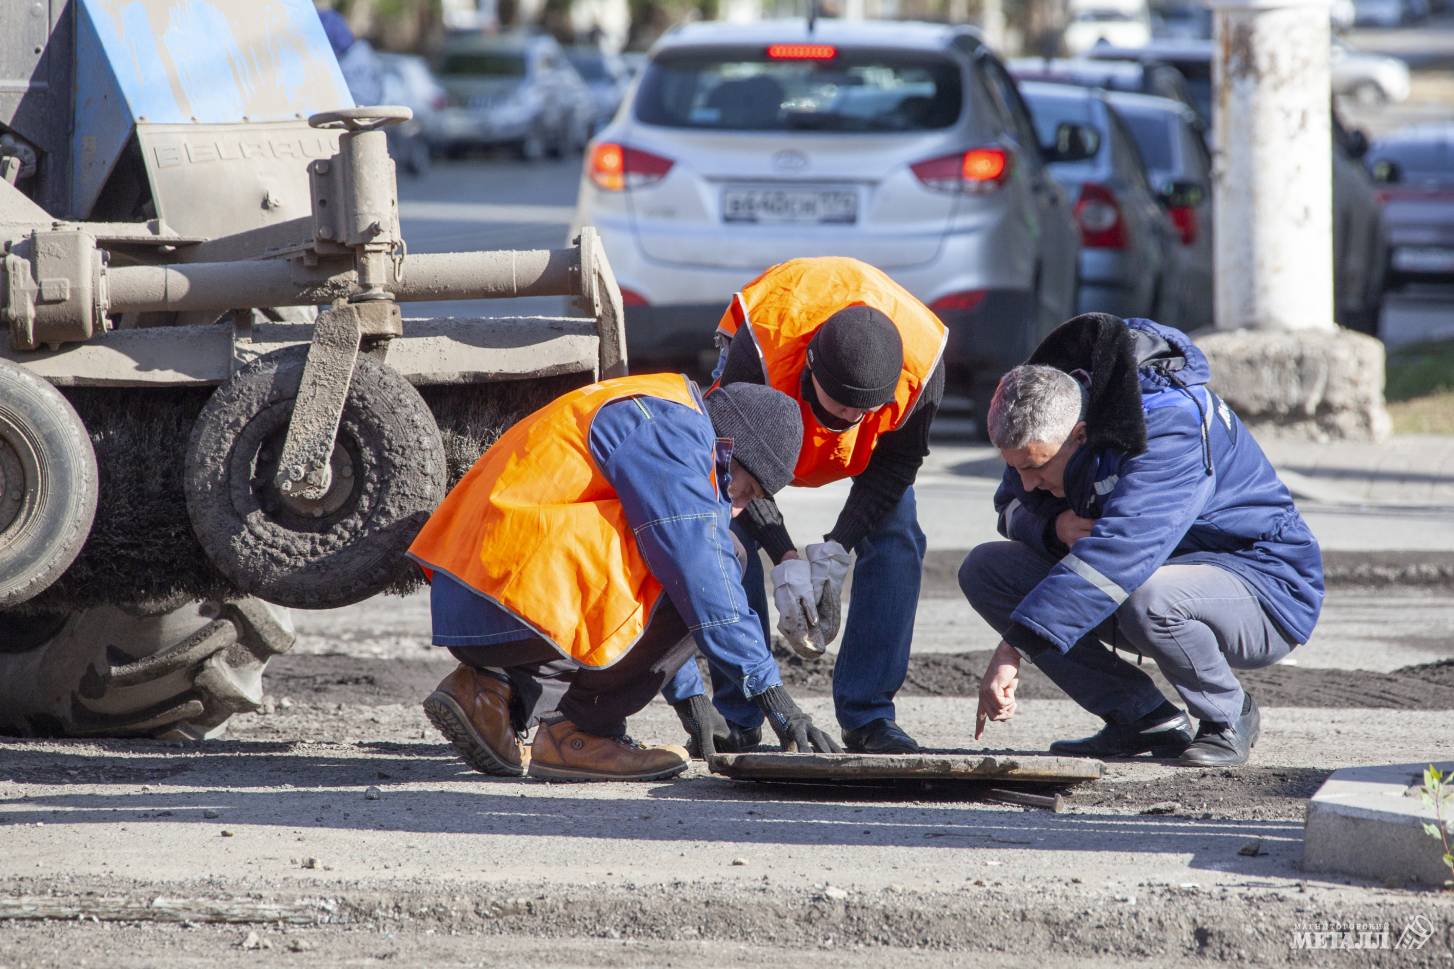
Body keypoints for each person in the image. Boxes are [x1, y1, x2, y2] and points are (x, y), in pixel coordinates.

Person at [408, 373, 840, 783]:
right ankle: (582, 731)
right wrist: (777, 702)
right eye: (746, 491)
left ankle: (492, 693)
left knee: (675, 547)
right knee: (724, 554)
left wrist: (690, 697)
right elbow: (698, 574)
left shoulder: (656, 405)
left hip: (479, 596)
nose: (741, 508)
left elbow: (648, 584)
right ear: (729, 449)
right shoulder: (675, 436)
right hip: (515, 598)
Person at [959, 314, 1324, 767]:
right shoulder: (1047, 417)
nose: (1026, 483)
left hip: (1263, 588)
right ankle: (1143, 718)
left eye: (1035, 468)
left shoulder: (1171, 425)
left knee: (1149, 598)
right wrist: (1054, 528)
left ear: (1080, 434)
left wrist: (1013, 647)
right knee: (987, 570)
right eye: (1015, 468)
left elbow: (1119, 557)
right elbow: (1010, 509)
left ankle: (1229, 714)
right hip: (1154, 581)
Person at [663, 257, 948, 755]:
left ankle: (869, 717)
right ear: (810, 371)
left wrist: (838, 549)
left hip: (880, 428)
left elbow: (895, 469)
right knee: (728, 528)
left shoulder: (923, 367)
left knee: (898, 529)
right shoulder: (762, 349)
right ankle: (741, 714)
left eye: (865, 412)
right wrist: (785, 555)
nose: (852, 420)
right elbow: (732, 468)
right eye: (840, 409)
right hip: (766, 385)